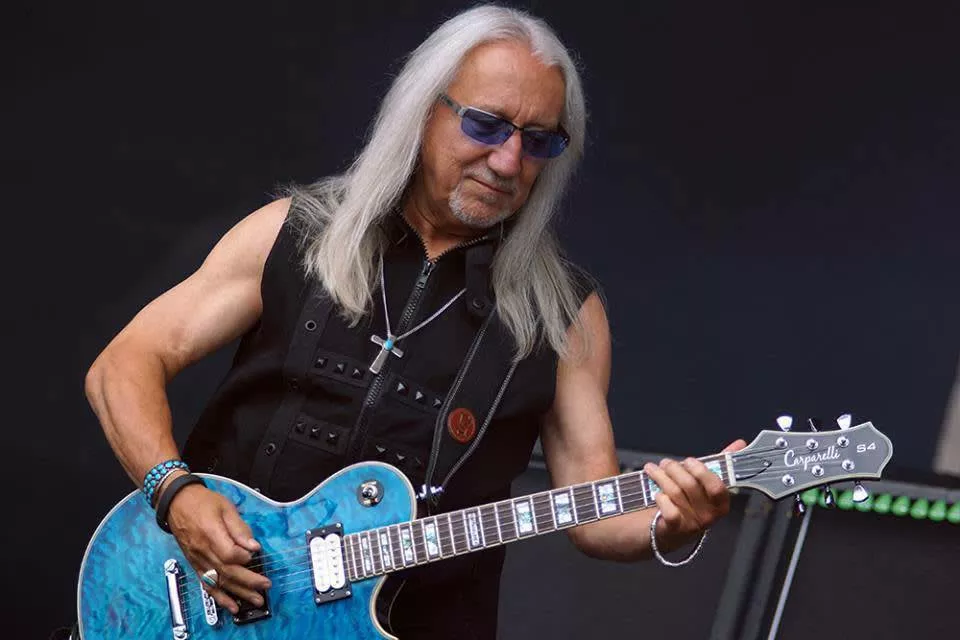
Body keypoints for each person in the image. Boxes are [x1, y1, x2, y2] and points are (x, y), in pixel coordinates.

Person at [84, 5, 744, 638]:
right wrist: (174, 493)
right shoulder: (295, 234)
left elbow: (594, 512)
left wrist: (673, 521)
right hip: (205, 605)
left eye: (538, 141)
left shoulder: (563, 313)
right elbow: (124, 364)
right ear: (424, 111)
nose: (509, 162)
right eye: (486, 125)